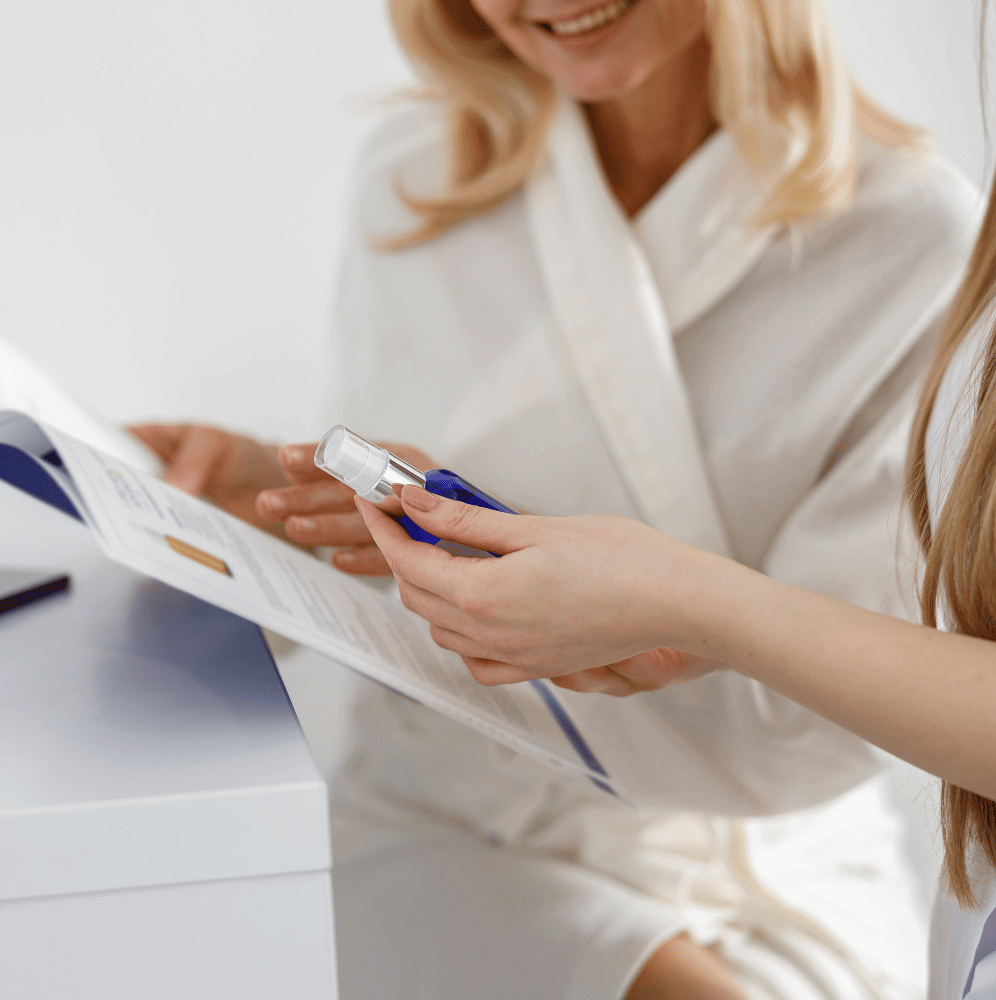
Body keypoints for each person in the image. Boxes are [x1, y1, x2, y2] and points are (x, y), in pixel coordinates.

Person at [131, 0, 979, 997]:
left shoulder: (917, 242)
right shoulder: (414, 173)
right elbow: (384, 546)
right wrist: (268, 491)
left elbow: (831, 715)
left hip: (767, 854)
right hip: (445, 818)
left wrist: (646, 607)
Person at [350, 131, 996, 1000]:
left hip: (750, 833)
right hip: (447, 795)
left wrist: (683, 598)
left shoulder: (914, 229)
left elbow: (812, 719)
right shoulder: (416, 176)